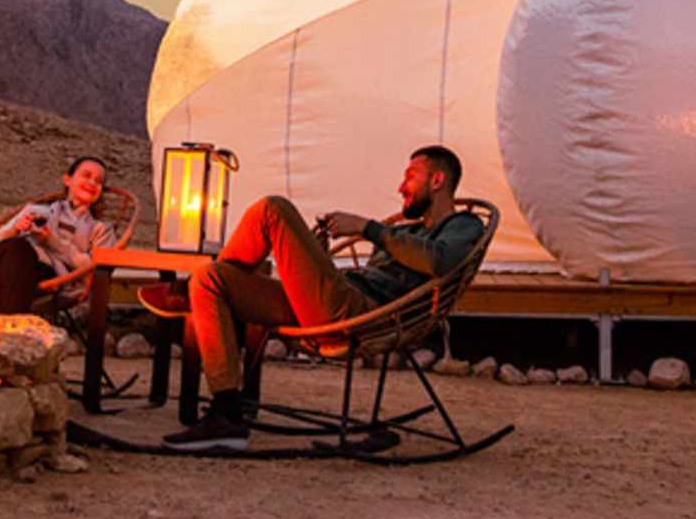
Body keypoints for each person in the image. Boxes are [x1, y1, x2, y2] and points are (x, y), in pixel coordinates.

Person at [139, 144, 482, 450]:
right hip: (337, 299)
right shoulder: (405, 231)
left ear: (437, 181)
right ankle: (227, 414)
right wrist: (315, 260)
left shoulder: (463, 226)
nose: (400, 187)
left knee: (273, 209)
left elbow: (442, 261)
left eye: (410, 176)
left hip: (363, 315)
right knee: (211, 279)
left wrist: (368, 228)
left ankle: (184, 293)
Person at [0, 155, 115, 313]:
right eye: (86, 176)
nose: (92, 183)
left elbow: (95, 268)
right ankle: (8, 325)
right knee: (8, 255)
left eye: (99, 181)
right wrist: (15, 230)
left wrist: (51, 240)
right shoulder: (36, 211)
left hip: (51, 276)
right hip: (8, 264)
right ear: (67, 180)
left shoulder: (101, 230)